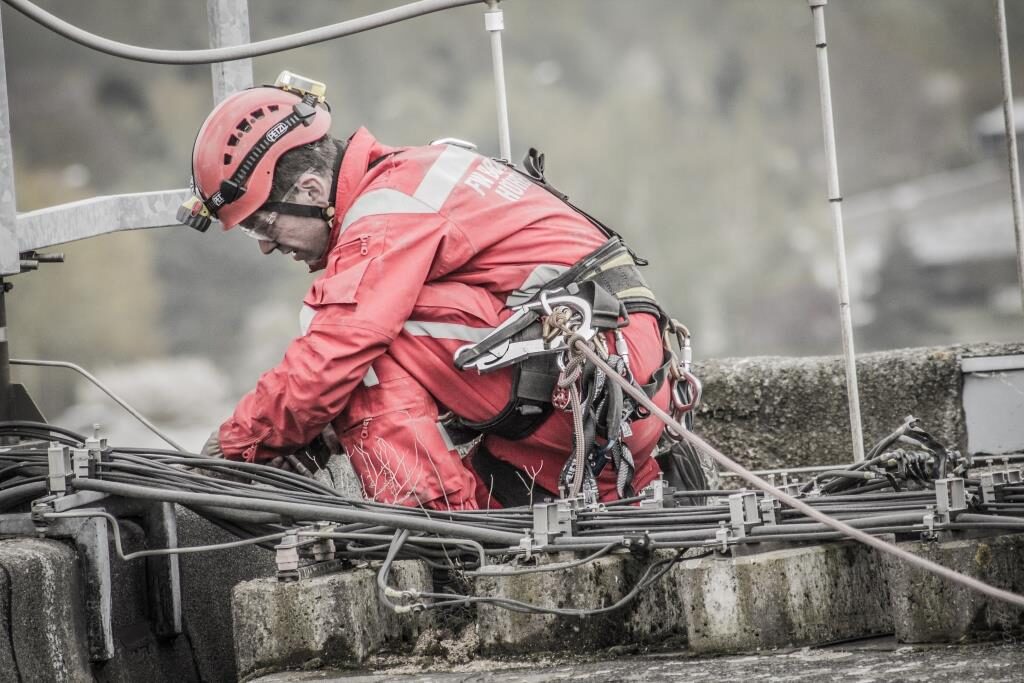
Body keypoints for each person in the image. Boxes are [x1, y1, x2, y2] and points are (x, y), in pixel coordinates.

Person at [180, 71, 684, 511]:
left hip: (588, 379)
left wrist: (236, 448)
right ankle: (599, 499)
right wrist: (324, 428)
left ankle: (440, 538)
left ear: (310, 190)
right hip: (619, 394)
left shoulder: (383, 215)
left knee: (358, 338)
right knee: (366, 333)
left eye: (263, 225)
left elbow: (335, 351)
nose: (267, 246)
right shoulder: (416, 173)